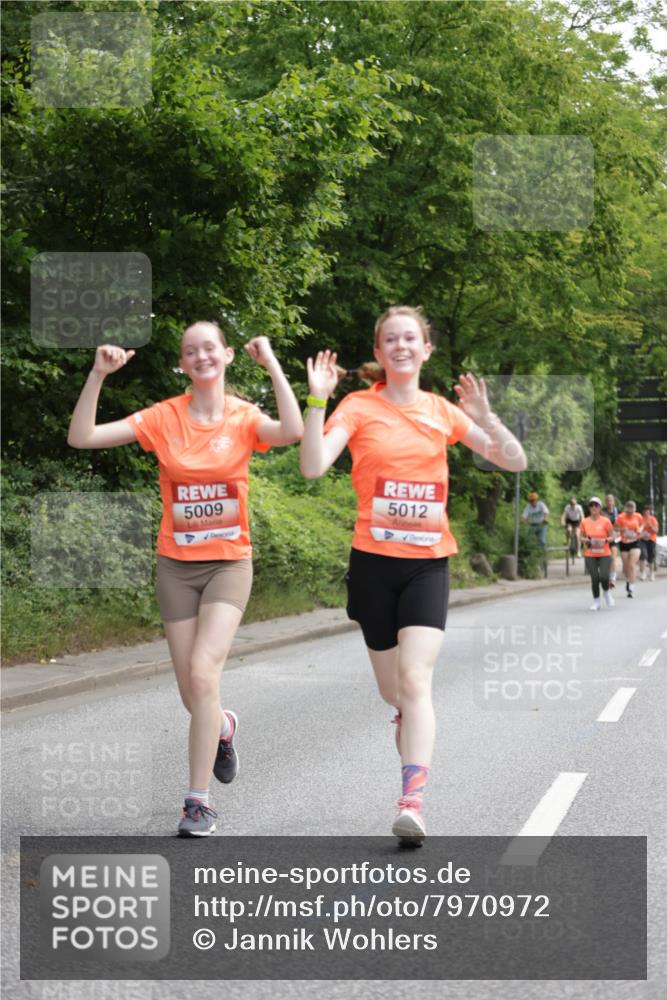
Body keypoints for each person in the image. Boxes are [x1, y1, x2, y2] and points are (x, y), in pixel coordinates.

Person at [299, 305, 527, 844]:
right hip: (373, 565)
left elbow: (513, 461)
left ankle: (412, 802)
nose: (401, 346)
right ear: (379, 353)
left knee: (416, 680)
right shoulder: (357, 407)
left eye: (411, 339)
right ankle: (407, 723)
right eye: (390, 340)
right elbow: (312, 467)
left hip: (428, 565)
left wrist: (488, 416)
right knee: (393, 691)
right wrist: (316, 401)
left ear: (426, 350)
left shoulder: (442, 412)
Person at [68, 322, 303, 836]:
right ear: (183, 362)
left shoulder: (244, 417)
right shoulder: (164, 416)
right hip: (176, 567)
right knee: (193, 693)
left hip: (227, 565)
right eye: (191, 351)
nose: (201, 356)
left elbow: (292, 431)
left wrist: (274, 366)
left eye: (210, 348)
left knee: (202, 674)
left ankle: (197, 801)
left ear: (226, 356)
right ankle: (221, 725)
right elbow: (81, 437)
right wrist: (98, 374)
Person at [579, 497, 615, 610]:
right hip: (590, 553)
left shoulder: (606, 521)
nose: (594, 507)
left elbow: (613, 536)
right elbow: (580, 537)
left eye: (596, 505)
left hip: (604, 552)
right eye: (591, 505)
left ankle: (606, 592)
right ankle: (596, 602)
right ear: (589, 508)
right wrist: (588, 541)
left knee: (604, 577)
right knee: (594, 578)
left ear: (600, 508)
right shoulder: (585, 521)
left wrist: (604, 540)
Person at [615, 499, 643, 598]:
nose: (631, 510)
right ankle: (628, 579)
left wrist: (639, 529)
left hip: (635, 542)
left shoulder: (638, 516)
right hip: (624, 542)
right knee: (626, 566)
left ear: (635, 509)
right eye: (629, 508)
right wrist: (623, 529)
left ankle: (631, 586)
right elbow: (616, 528)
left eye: (633, 508)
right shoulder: (620, 517)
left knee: (631, 564)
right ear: (626, 508)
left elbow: (642, 525)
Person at [603, 493, 619, 587]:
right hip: (604, 538)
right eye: (608, 500)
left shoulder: (618, 512)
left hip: (614, 538)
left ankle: (612, 578)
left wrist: (618, 532)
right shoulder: (602, 512)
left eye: (611, 500)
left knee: (613, 557)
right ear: (606, 502)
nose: (609, 502)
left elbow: (622, 524)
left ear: (614, 502)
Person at [639, 504, 659, 581]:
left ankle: (651, 573)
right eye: (645, 511)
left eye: (648, 511)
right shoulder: (640, 519)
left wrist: (650, 526)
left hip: (651, 539)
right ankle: (643, 573)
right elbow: (637, 529)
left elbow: (656, 531)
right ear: (643, 512)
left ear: (649, 512)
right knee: (643, 555)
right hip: (642, 539)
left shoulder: (653, 519)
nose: (646, 512)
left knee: (651, 557)